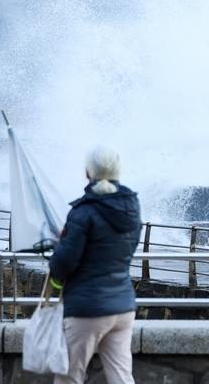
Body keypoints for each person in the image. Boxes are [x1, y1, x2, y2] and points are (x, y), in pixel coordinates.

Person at [49, 146, 142, 384]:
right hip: (122, 307)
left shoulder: (84, 211)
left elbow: (63, 263)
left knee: (70, 376)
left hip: (87, 307)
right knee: (122, 377)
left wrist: (59, 248)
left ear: (87, 172)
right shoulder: (131, 207)